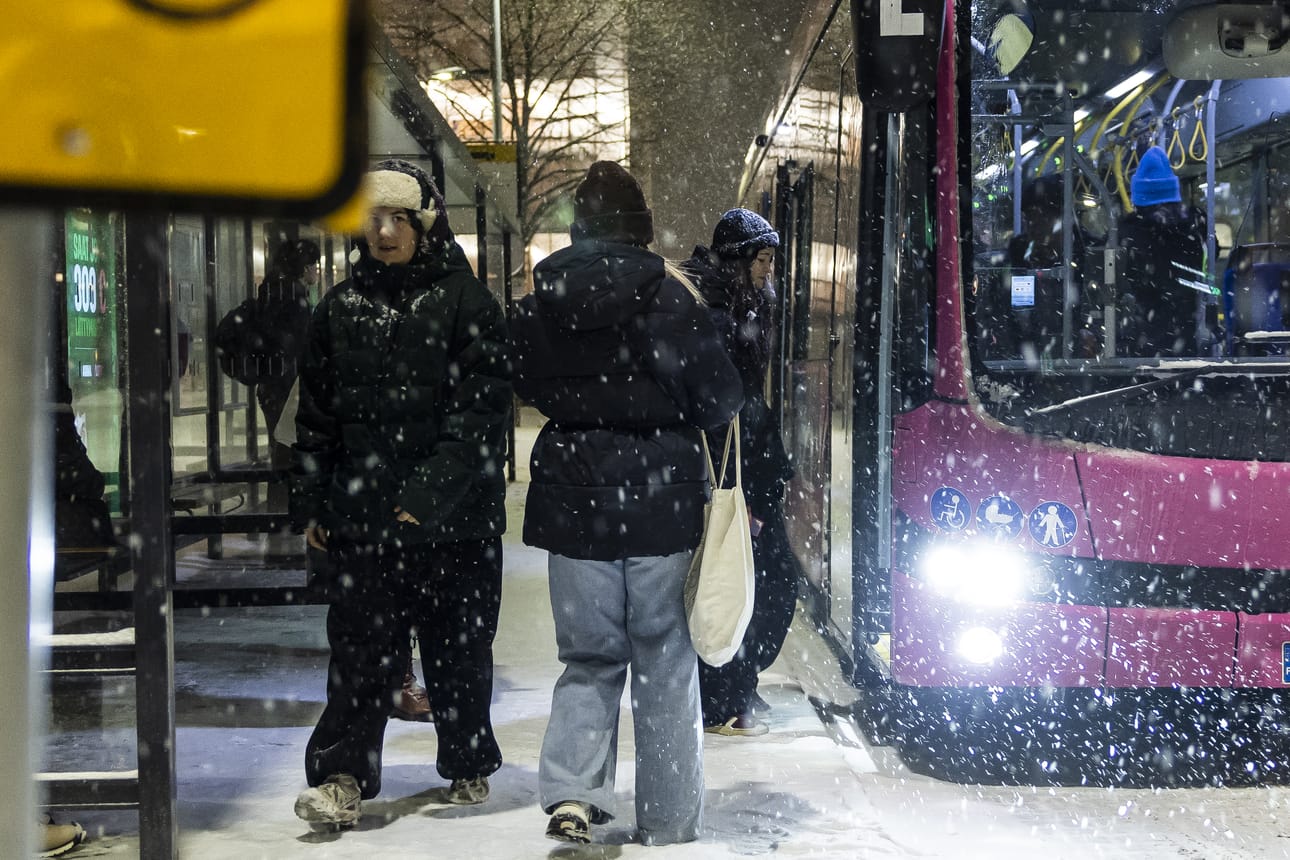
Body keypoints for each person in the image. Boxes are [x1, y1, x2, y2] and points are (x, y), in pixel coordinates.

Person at [513, 161, 743, 845]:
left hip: (573, 500)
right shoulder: (671, 299)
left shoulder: (539, 301)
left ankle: (575, 794)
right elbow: (720, 399)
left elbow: (525, 380)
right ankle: (668, 818)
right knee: (665, 661)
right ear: (639, 227)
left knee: (588, 657)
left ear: (578, 227)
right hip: (659, 502)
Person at [288, 159, 512, 829]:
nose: (384, 234)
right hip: (366, 524)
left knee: (459, 653)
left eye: (397, 219)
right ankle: (341, 776)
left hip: (456, 527)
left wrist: (428, 493)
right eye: (373, 220)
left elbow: (481, 415)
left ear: (423, 224)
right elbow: (317, 420)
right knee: (359, 659)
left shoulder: (469, 304)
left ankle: (467, 762)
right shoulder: (338, 309)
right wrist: (317, 502)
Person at [682, 209, 799, 737]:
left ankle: (734, 688)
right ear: (738, 258)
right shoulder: (720, 316)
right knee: (747, 581)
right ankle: (725, 697)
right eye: (762, 259)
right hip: (733, 473)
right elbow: (731, 406)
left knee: (749, 579)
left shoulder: (733, 307)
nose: (768, 270)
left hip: (742, 468)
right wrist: (749, 486)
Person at [1118, 144, 1209, 357]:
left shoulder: (1130, 233)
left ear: (1138, 199)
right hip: (1188, 335)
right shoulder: (1194, 228)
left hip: (1143, 339)